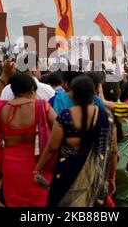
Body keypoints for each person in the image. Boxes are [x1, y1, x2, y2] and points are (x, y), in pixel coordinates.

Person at [0, 73, 57, 206]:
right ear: (32, 89)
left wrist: (4, 76)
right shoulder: (42, 106)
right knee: (39, 201)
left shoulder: (1, 108)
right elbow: (61, 128)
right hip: (38, 164)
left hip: (11, 165)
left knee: (14, 202)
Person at [34, 75, 117, 207]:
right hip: (95, 177)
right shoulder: (106, 116)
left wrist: (38, 169)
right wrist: (111, 177)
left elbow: (52, 147)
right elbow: (113, 150)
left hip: (67, 175)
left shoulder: (65, 116)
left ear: (73, 94)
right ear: (94, 93)